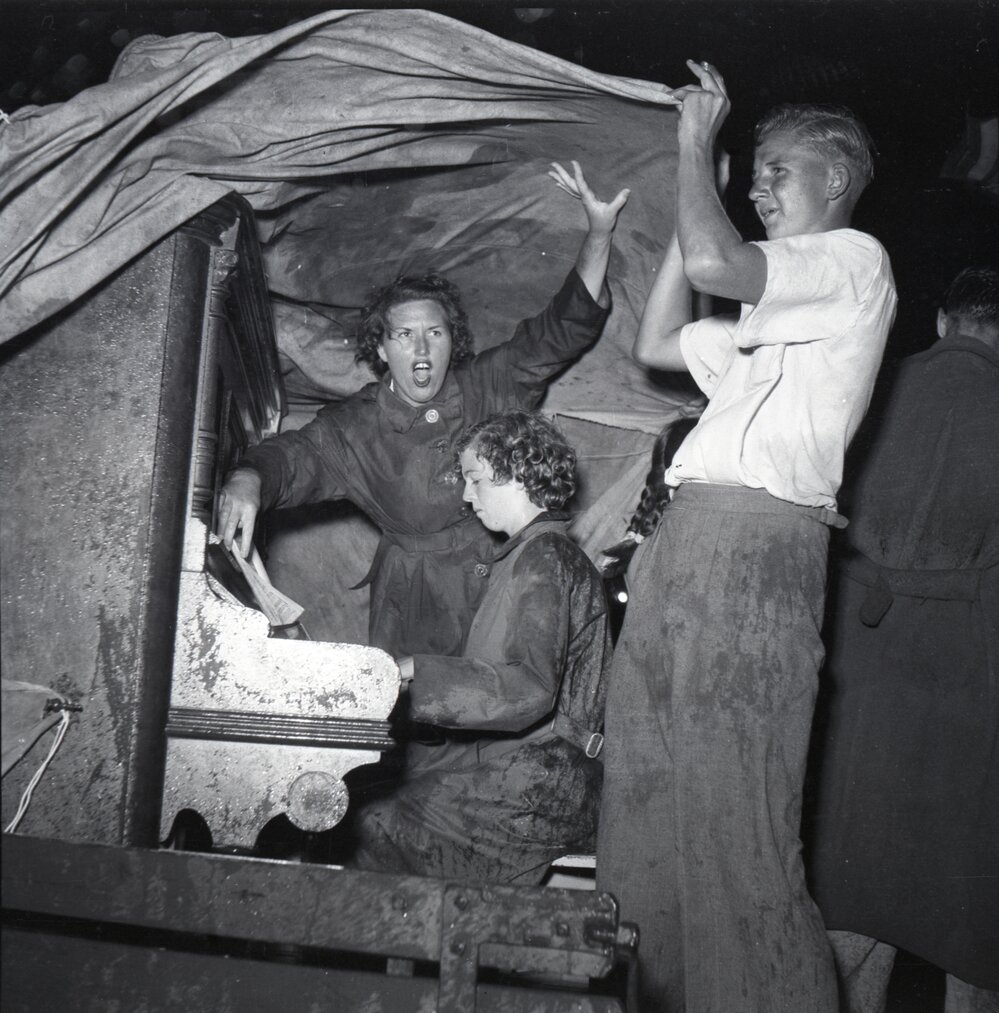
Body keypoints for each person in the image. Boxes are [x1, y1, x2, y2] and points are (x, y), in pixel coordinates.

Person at [595, 61, 897, 1013]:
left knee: (739, 837)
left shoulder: (854, 260)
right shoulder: (768, 326)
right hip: (683, 545)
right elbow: (655, 343)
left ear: (835, 182)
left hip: (757, 554)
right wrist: (705, 211)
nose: (760, 186)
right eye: (753, 172)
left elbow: (723, 262)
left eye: (778, 171)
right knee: (641, 818)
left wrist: (694, 148)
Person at [217, 162, 629, 658]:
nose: (421, 350)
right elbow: (289, 458)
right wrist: (247, 479)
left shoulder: (489, 383)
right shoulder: (356, 427)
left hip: (508, 581)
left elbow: (560, 330)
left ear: (452, 341)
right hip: (418, 607)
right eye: (404, 335)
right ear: (381, 348)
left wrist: (599, 233)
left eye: (435, 333)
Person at [806, 265, 999, 1013]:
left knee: (853, 892)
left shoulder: (873, 389)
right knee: (970, 910)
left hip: (862, 675)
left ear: (944, 322)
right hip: (969, 681)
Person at [335, 409, 611, 884]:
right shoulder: (534, 554)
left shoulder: (544, 558)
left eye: (476, 479)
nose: (466, 495)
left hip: (548, 783)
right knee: (376, 802)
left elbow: (528, 689)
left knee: (374, 826)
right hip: (540, 771)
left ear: (519, 474)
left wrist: (416, 671)